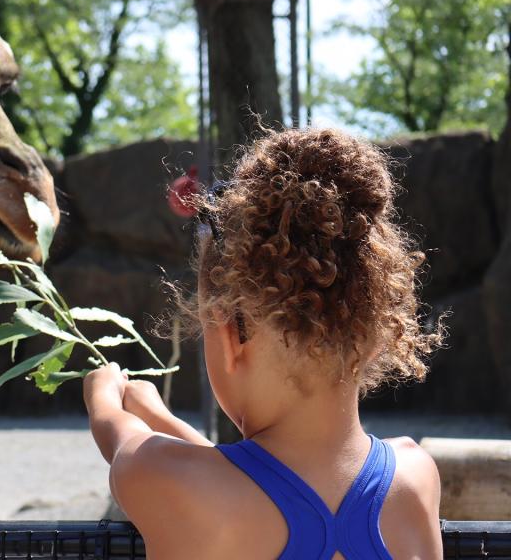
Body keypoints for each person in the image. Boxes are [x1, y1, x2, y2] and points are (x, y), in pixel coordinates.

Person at [84, 128, 444, 559]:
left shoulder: (165, 476)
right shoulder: (416, 474)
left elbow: (125, 441)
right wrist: (157, 413)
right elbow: (269, 485)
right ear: (373, 337)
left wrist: (104, 397)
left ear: (230, 334)